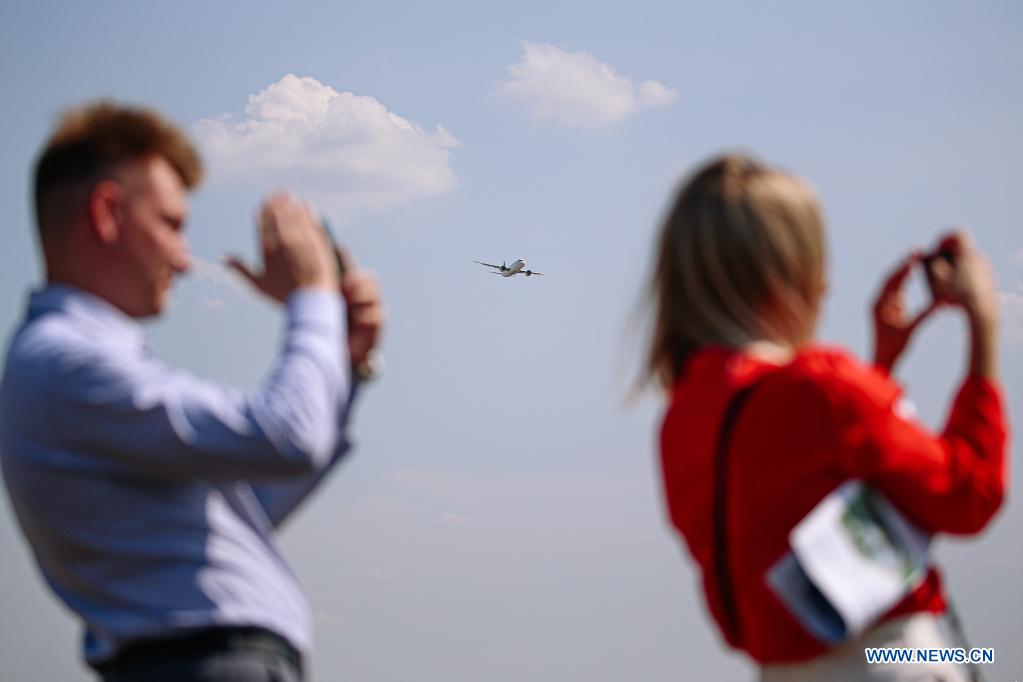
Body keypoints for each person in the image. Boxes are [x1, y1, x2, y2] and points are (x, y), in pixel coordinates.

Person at [0, 102, 385, 681]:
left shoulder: (65, 367)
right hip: (202, 663)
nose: (183, 260)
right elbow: (286, 437)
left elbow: (244, 511)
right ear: (107, 213)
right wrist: (314, 300)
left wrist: (344, 365)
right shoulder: (68, 362)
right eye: (172, 224)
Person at [647, 154, 1007, 681]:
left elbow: (815, 483)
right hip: (893, 659)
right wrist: (984, 327)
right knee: (980, 658)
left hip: (783, 670)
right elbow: (971, 493)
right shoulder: (822, 388)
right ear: (783, 281)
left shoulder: (682, 420)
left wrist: (880, 367)